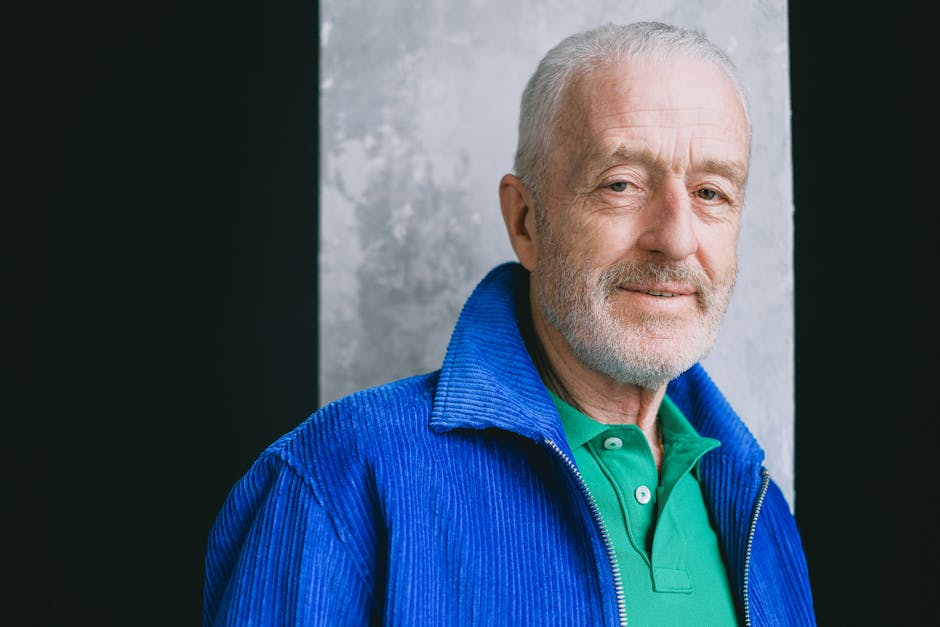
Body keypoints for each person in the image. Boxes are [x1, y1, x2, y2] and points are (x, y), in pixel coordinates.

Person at [204, 21, 815, 626]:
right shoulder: (337, 477)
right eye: (622, 184)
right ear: (526, 221)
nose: (677, 239)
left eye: (711, 193)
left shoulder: (760, 510)